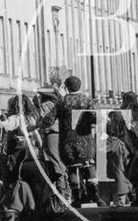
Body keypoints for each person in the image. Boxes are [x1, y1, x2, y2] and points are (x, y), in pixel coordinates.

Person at [39, 76, 105, 208]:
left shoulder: (61, 102)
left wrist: (39, 126)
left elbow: (48, 121)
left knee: (72, 169)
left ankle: (77, 197)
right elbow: (97, 118)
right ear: (79, 86)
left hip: (67, 141)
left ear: (66, 87)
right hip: (85, 139)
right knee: (89, 165)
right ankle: (96, 195)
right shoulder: (87, 100)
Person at [16, 147, 57, 221]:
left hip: (27, 204)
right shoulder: (47, 165)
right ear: (38, 153)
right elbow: (56, 178)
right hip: (45, 203)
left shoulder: (22, 167)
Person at [105, 112, 133, 207]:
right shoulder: (121, 144)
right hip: (121, 178)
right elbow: (126, 159)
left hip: (108, 178)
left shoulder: (102, 145)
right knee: (120, 204)